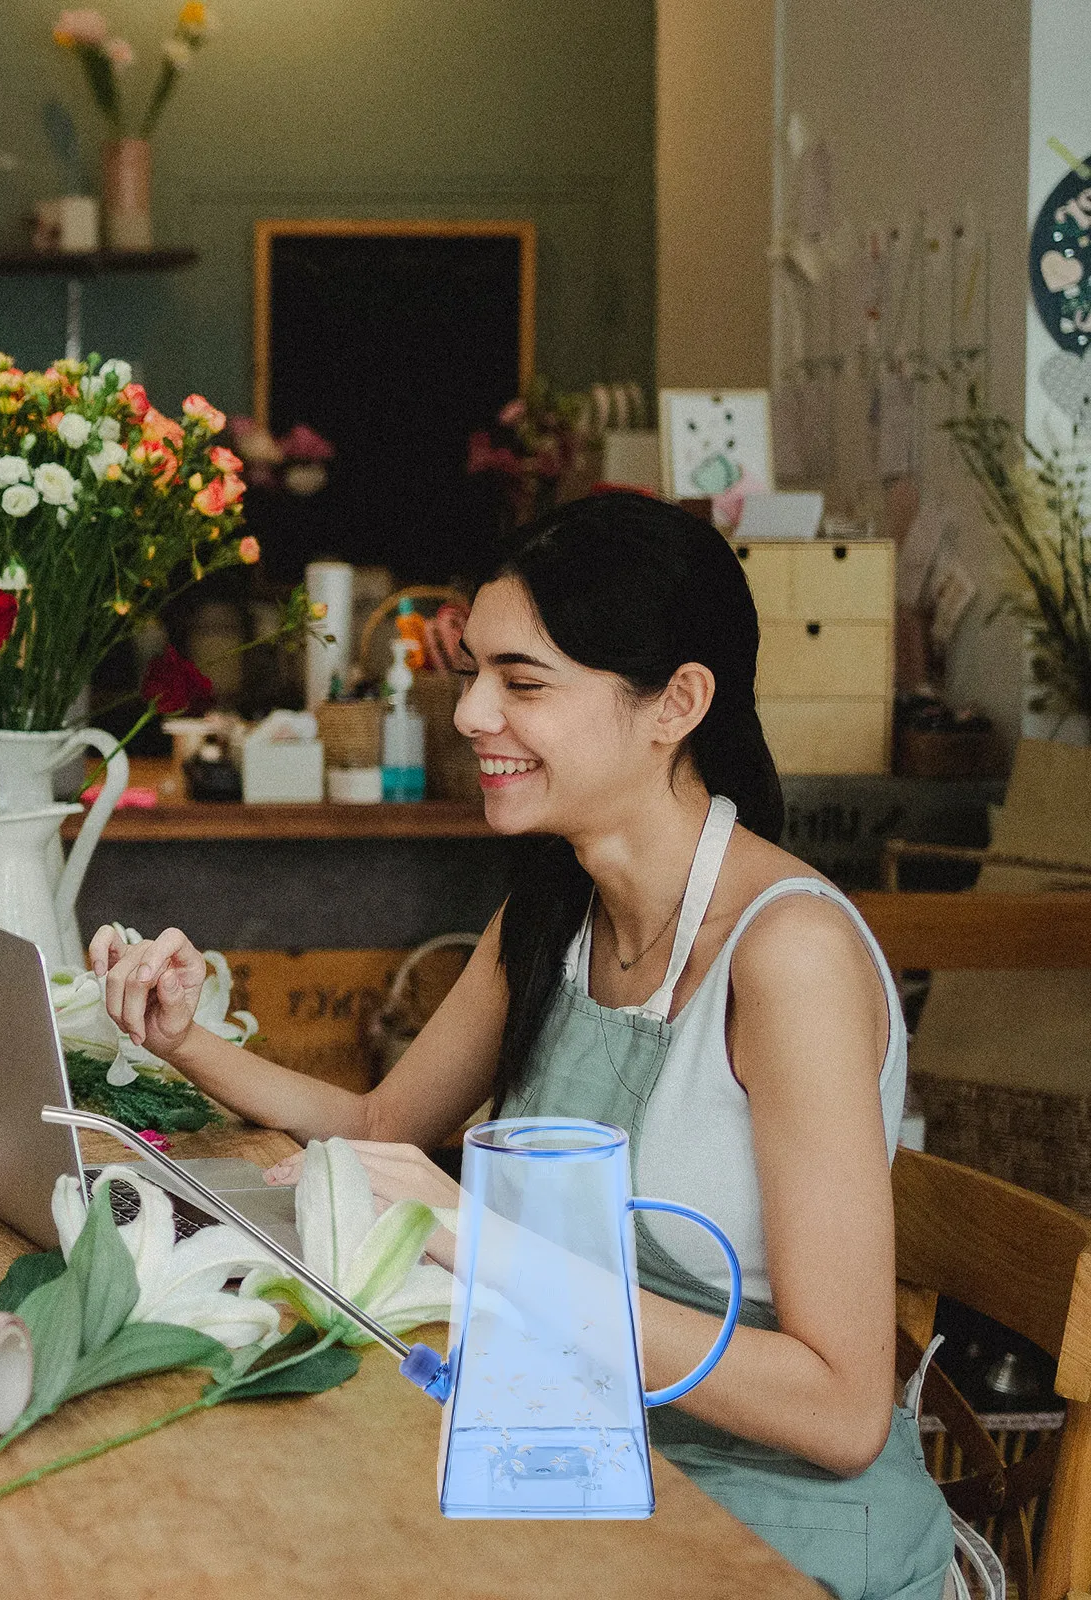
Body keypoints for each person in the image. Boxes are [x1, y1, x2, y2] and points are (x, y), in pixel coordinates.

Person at [90, 493, 954, 1599]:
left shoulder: (786, 957)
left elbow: (838, 1412)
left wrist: (485, 1244)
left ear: (675, 703)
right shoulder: (559, 901)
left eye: (523, 682)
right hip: (587, 1466)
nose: (470, 716)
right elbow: (378, 1126)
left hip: (777, 1530)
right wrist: (187, 1040)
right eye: (474, 675)